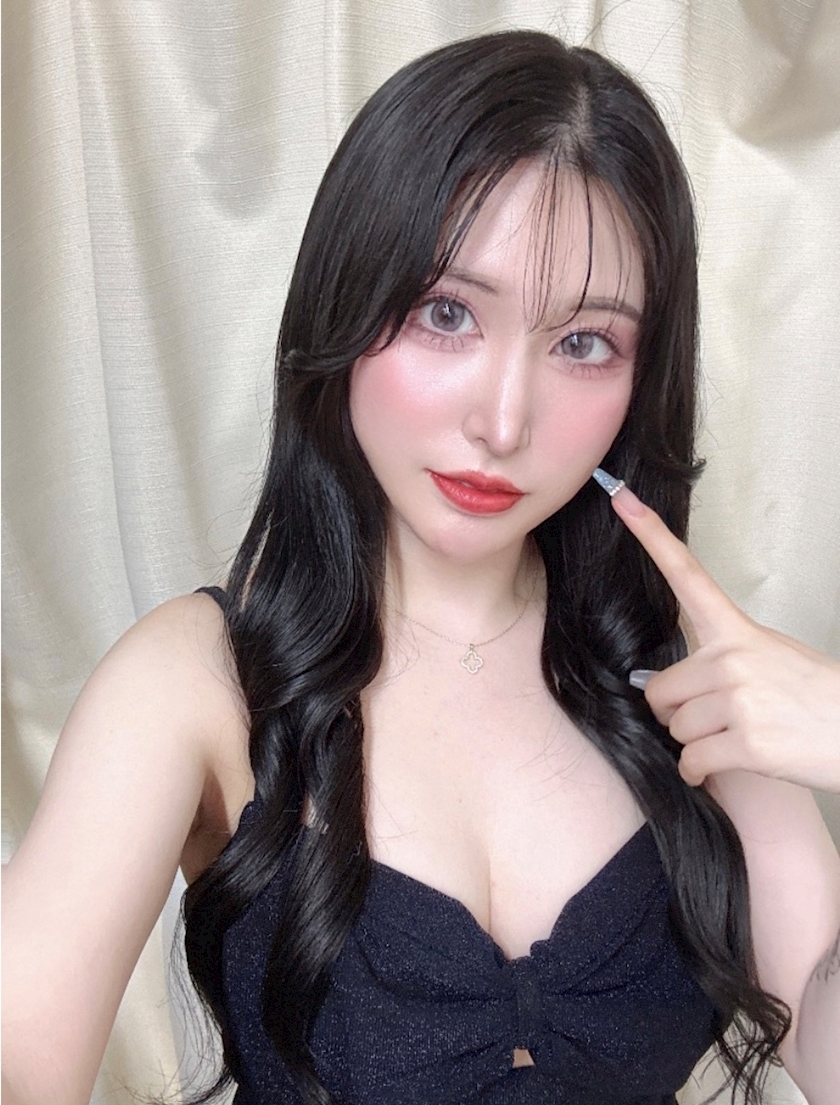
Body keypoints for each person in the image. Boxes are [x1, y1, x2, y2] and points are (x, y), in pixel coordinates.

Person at [3, 28, 840, 1105]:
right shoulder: (195, 681)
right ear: (346, 303)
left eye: (584, 342)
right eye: (447, 314)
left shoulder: (700, 686)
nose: (504, 421)